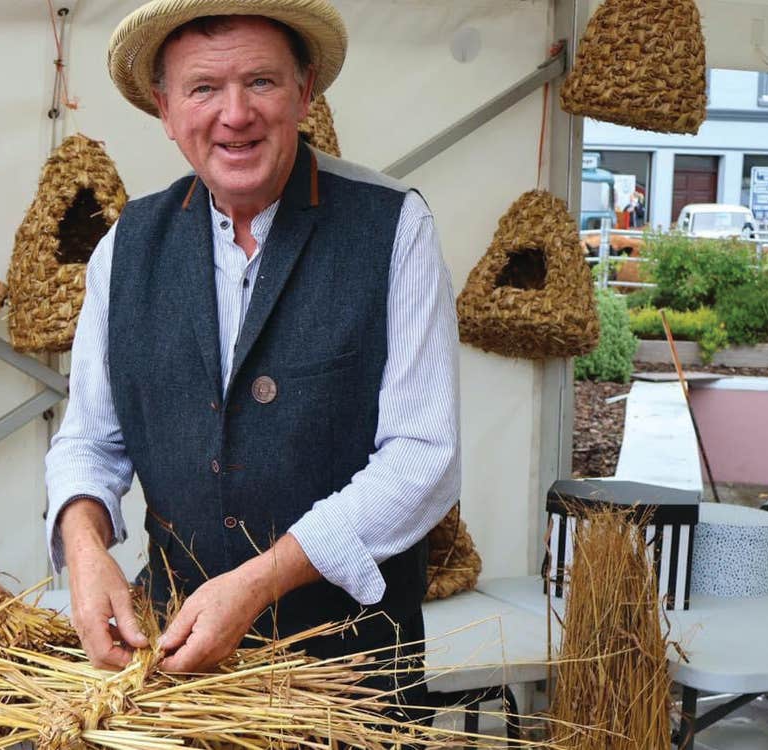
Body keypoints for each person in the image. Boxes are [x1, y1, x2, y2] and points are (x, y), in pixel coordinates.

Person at [44, 0, 460, 701]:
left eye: (261, 83)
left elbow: (423, 455)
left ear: (303, 93)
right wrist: (84, 550)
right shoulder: (127, 247)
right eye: (203, 88)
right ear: (167, 109)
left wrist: (263, 578)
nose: (234, 114)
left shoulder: (392, 227)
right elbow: (89, 440)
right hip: (174, 675)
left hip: (347, 683)